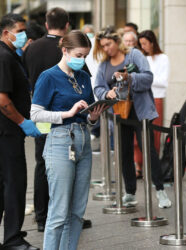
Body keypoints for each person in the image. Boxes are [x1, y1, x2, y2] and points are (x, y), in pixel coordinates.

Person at [31, 30, 105, 250]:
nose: (82, 60)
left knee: (77, 210)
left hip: (82, 138)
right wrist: (67, 113)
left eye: (85, 56)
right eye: (79, 55)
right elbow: (35, 114)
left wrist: (93, 117)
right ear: (65, 50)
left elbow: (88, 111)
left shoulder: (83, 76)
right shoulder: (48, 76)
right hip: (60, 140)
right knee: (59, 210)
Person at [23, 7, 92, 232]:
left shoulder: (31, 48)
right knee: (58, 166)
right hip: (59, 115)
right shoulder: (66, 53)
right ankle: (53, 216)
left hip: (43, 111)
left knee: (43, 163)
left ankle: (41, 214)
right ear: (66, 25)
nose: (81, 60)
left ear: (46, 24)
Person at [93, 29, 171, 208]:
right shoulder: (104, 65)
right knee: (124, 152)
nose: (106, 48)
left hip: (140, 111)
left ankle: (160, 191)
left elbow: (148, 78)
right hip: (119, 113)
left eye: (109, 44)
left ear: (116, 41)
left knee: (148, 150)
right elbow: (98, 87)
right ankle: (130, 192)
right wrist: (107, 92)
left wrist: (129, 77)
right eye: (103, 46)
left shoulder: (133, 55)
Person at [0, 13, 41, 250]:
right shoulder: (4, 57)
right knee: (14, 184)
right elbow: (3, 98)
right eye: (20, 30)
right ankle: (13, 239)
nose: (24, 35)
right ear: (7, 32)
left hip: (7, 132)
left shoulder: (10, 55)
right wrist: (22, 122)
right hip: (8, 132)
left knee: (4, 184)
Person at [137, 30, 169, 177]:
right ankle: (139, 165)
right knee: (139, 135)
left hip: (156, 99)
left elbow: (163, 83)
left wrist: (145, 79)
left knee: (155, 134)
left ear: (152, 42)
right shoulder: (142, 58)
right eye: (141, 44)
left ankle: (153, 169)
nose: (143, 47)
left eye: (144, 43)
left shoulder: (163, 58)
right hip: (141, 98)